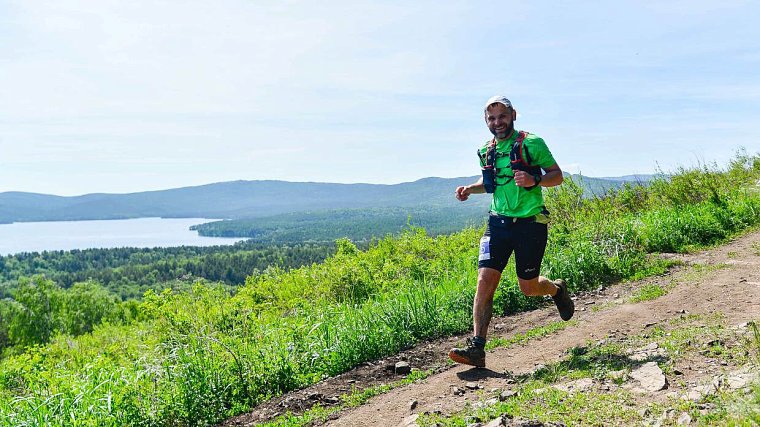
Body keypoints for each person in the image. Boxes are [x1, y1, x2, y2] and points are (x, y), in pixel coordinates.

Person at [448, 95, 574, 368]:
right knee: (484, 280)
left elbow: (557, 175)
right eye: (491, 119)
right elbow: (491, 182)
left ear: (513, 115)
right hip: (498, 224)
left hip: (531, 223)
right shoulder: (486, 149)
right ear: (486, 121)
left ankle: (556, 290)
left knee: (528, 288)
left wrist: (534, 179)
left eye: (502, 116)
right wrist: (471, 189)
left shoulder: (532, 143)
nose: (497, 123)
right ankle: (477, 348)